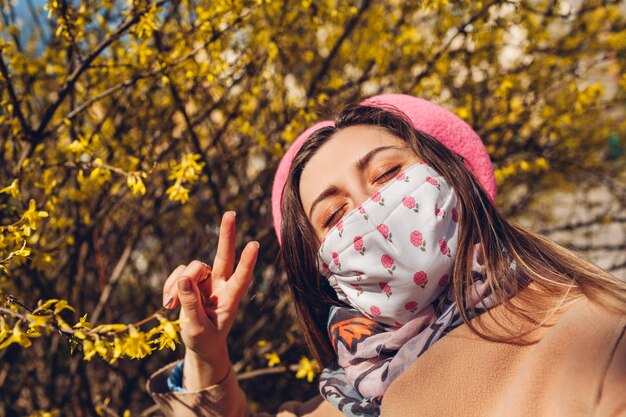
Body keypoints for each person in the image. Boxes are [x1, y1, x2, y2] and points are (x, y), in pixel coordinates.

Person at [147, 94, 626, 417]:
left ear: (452, 180)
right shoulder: (344, 402)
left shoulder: (593, 341)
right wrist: (205, 356)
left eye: (387, 174)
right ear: (326, 273)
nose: (371, 212)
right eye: (334, 216)